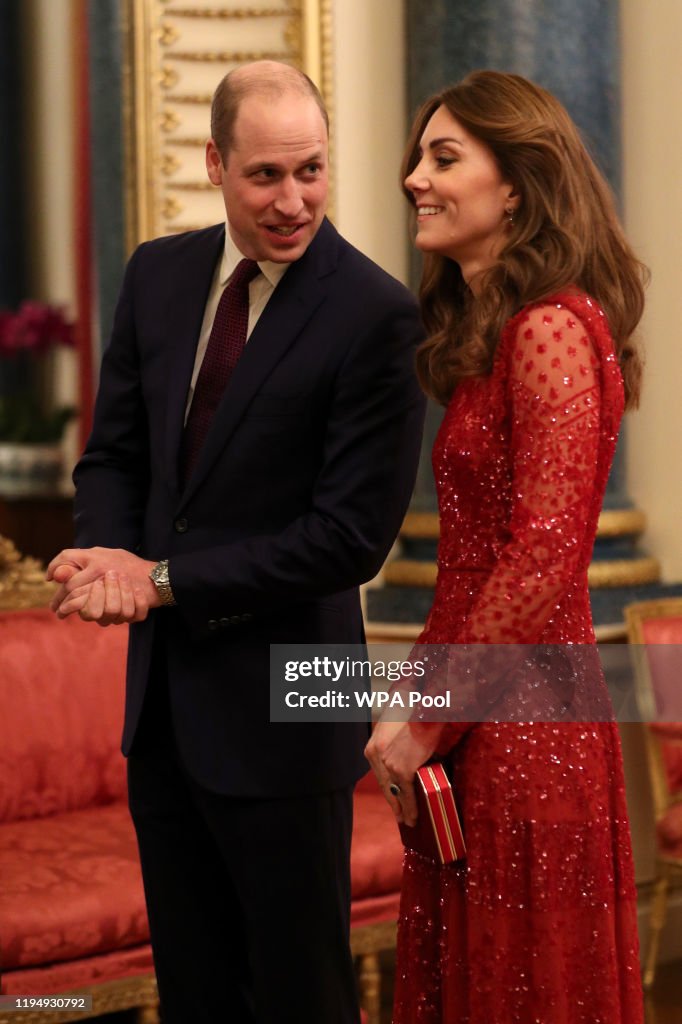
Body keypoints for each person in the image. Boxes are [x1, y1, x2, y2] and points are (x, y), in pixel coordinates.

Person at [48, 61, 425, 1024]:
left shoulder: (377, 315)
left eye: (312, 170)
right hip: (164, 714)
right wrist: (104, 558)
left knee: (302, 996)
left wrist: (161, 579)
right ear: (216, 164)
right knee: (197, 993)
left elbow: (348, 541)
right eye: (265, 175)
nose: (293, 200)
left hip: (290, 710)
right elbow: (114, 459)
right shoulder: (159, 273)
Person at [366, 70, 646, 1024]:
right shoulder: (504, 334)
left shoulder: (551, 330)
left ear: (517, 184)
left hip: (528, 727)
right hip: (481, 713)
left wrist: (425, 718)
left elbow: (540, 561)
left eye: (445, 157)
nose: (414, 177)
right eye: (418, 156)